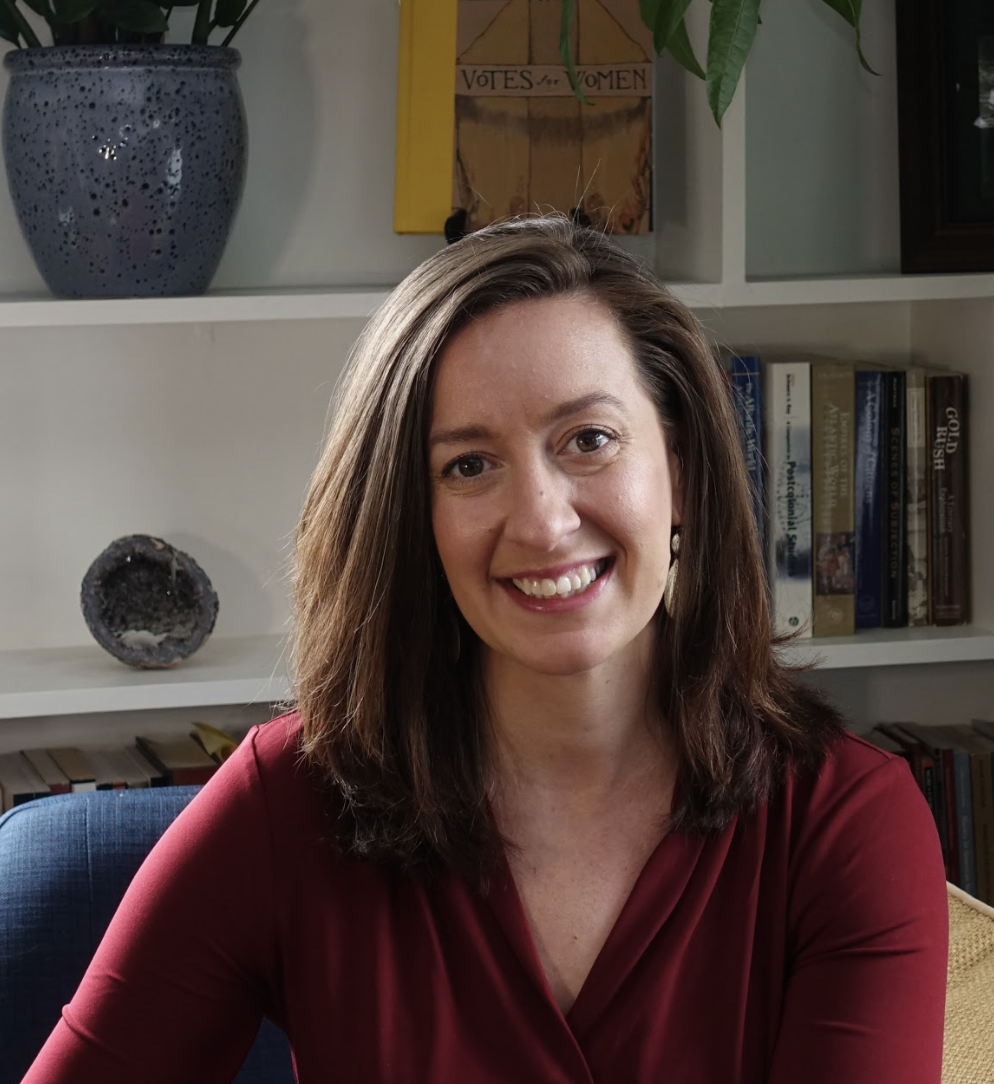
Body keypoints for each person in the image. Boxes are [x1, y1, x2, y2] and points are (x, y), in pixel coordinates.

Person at [23, 216, 948, 1083]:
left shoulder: (846, 825)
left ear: (684, 475)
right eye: (468, 464)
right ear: (409, 519)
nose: (544, 523)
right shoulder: (284, 803)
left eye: (589, 440)